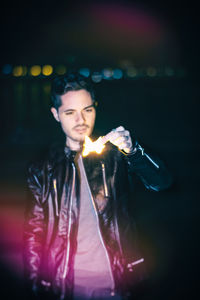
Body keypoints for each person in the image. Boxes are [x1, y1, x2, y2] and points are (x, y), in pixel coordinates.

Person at [23, 72, 172, 300]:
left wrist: (134, 151)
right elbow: (34, 233)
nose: (81, 120)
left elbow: (161, 182)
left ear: (95, 108)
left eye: (88, 110)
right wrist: (35, 285)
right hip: (64, 286)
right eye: (70, 112)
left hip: (117, 282)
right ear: (56, 114)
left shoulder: (115, 155)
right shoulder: (42, 168)